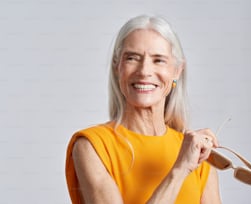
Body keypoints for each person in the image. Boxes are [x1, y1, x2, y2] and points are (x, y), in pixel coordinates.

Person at [65, 15, 222, 204]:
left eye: (158, 60)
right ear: (117, 67)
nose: (144, 71)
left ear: (177, 71)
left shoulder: (198, 152)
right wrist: (179, 171)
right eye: (132, 58)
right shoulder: (92, 146)